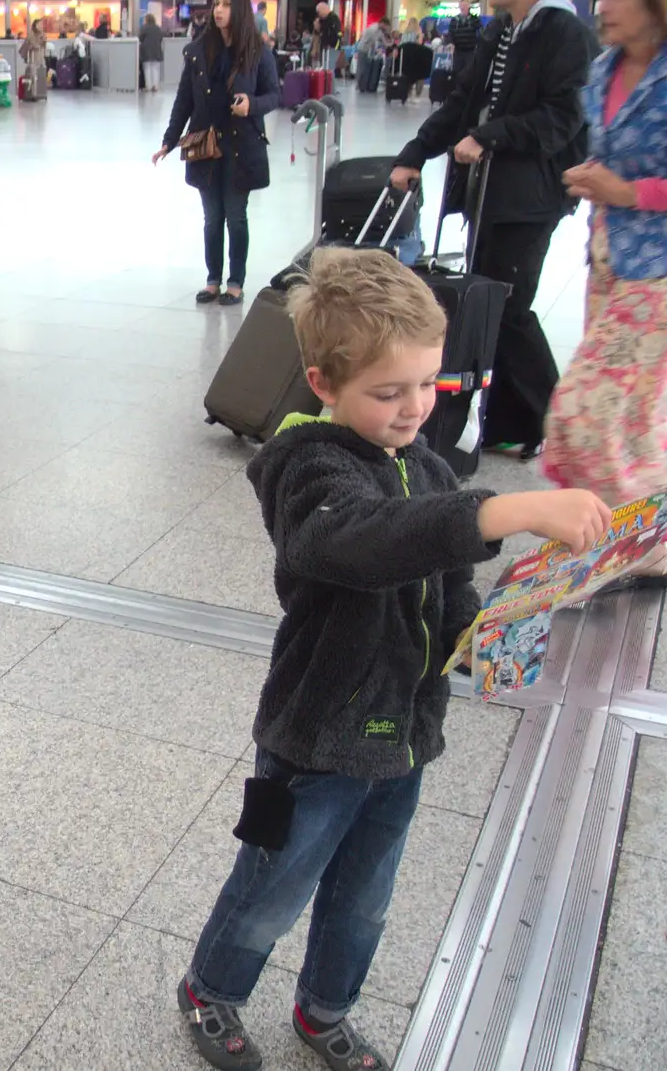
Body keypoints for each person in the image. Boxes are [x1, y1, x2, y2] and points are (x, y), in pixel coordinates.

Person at [177, 247, 613, 1071]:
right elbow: (358, 542)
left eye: (428, 385)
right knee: (273, 885)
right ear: (323, 384)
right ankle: (211, 989)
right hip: (314, 743)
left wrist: (483, 637)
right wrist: (501, 509)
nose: (414, 408)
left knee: (364, 901)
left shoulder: (429, 467)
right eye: (388, 392)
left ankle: (325, 1011)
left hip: (403, 738)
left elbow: (446, 587)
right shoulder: (307, 469)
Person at [391, 0, 597, 462]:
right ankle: (513, 422)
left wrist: (489, 135)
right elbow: (463, 103)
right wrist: (415, 152)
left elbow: (562, 119)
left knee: (510, 307)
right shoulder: (500, 29)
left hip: (530, 198)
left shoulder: (564, 33)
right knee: (489, 302)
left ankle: (550, 418)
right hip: (489, 195)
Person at [545, 0, 667, 504]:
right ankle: (624, 528)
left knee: (585, 408)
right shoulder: (603, 71)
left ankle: (633, 531)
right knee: (634, 414)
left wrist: (625, 191)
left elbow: (633, 179)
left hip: (658, 267)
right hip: (607, 256)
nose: (603, 6)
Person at [154, 0, 282, 306]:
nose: (219, 10)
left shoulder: (257, 52)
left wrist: (251, 104)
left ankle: (235, 282)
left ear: (238, 10)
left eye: (226, 4)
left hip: (242, 147)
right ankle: (213, 280)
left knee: (236, 216)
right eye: (216, 4)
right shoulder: (198, 51)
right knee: (212, 218)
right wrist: (169, 140)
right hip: (206, 146)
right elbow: (184, 99)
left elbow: (275, 95)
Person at [357, 17, 391, 94]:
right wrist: (376, 51)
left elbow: (382, 40)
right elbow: (373, 42)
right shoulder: (373, 29)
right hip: (363, 49)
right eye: (386, 26)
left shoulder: (379, 30)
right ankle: (360, 86)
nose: (386, 28)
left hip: (368, 50)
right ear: (382, 23)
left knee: (365, 69)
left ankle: (363, 86)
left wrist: (387, 44)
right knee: (362, 68)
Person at [139, 12, 166, 93]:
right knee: (156, 69)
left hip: (146, 51)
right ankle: (155, 86)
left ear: (146, 20)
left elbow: (140, 38)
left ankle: (148, 86)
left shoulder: (144, 28)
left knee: (147, 69)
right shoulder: (158, 28)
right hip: (157, 50)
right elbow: (161, 38)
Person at [313, 1, 342, 70]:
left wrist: (335, 47)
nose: (319, 15)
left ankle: (330, 80)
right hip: (325, 47)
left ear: (324, 10)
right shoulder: (323, 20)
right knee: (325, 67)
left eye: (319, 12)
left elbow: (338, 35)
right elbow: (319, 31)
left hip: (332, 47)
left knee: (329, 68)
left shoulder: (333, 19)